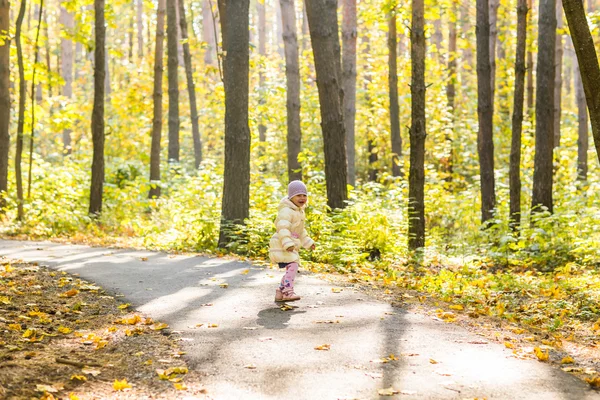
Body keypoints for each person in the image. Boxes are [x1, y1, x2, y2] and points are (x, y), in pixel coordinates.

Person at [269, 180, 316, 302]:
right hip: (281, 243)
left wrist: (309, 242)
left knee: (292, 266)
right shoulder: (286, 211)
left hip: (290, 243)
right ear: (291, 197)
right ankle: (288, 291)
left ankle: (280, 292)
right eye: (298, 195)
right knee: (293, 266)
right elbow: (282, 228)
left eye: (304, 195)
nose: (302, 198)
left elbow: (300, 231)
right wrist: (287, 243)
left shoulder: (299, 211)